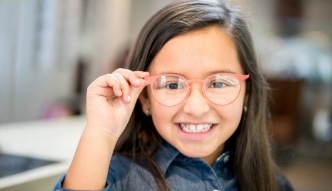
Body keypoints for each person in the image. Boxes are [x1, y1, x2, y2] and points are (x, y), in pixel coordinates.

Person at [54, 0, 294, 190]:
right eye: (171, 85)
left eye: (219, 83)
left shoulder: (273, 184)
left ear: (248, 93)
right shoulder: (119, 178)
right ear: (145, 98)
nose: (196, 108)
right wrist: (101, 131)